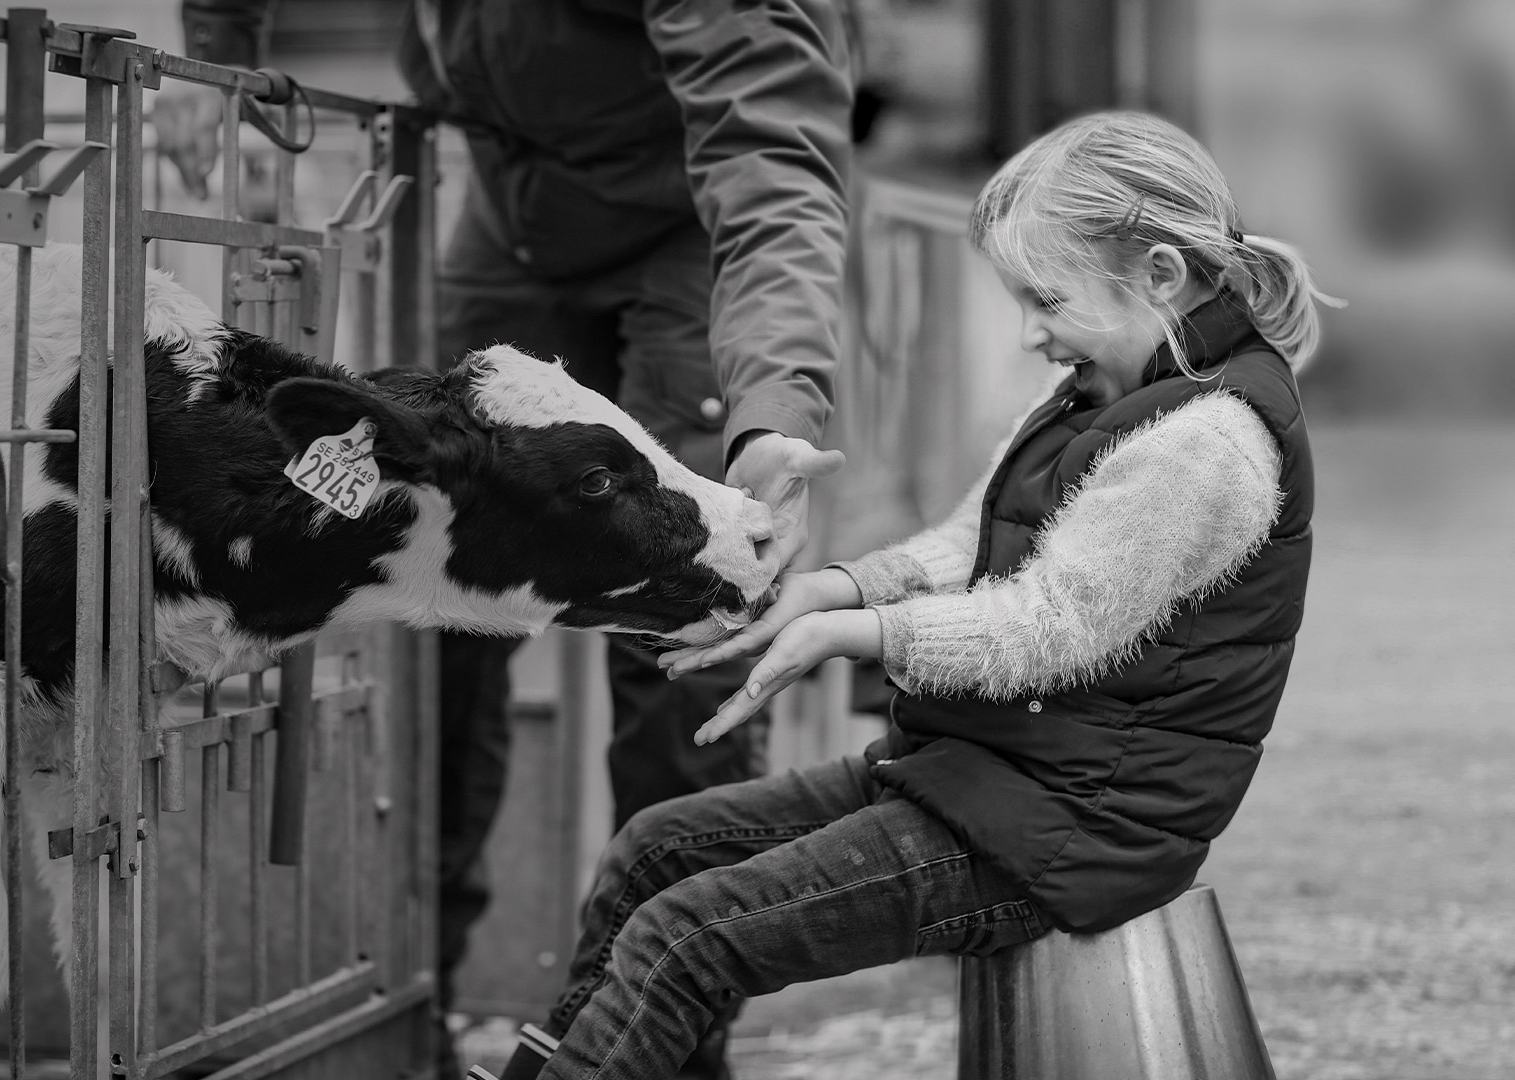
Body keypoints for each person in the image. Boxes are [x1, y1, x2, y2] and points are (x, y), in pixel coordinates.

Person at [472, 109, 1342, 1080]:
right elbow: (969, 540)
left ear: (1161, 278)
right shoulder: (1109, 385)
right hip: (983, 775)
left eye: (1045, 299)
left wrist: (861, 632)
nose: (1030, 332)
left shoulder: (1204, 445)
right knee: (658, 849)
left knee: (691, 935)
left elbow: (1050, 627)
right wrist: (835, 588)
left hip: (1073, 830)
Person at [162, 4, 864, 1078]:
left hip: (690, 224)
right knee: (427, 551)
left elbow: (772, 161)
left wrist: (770, 412)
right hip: (514, 207)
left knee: (684, 605)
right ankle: (423, 996)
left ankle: (661, 1034)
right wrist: (212, 54)